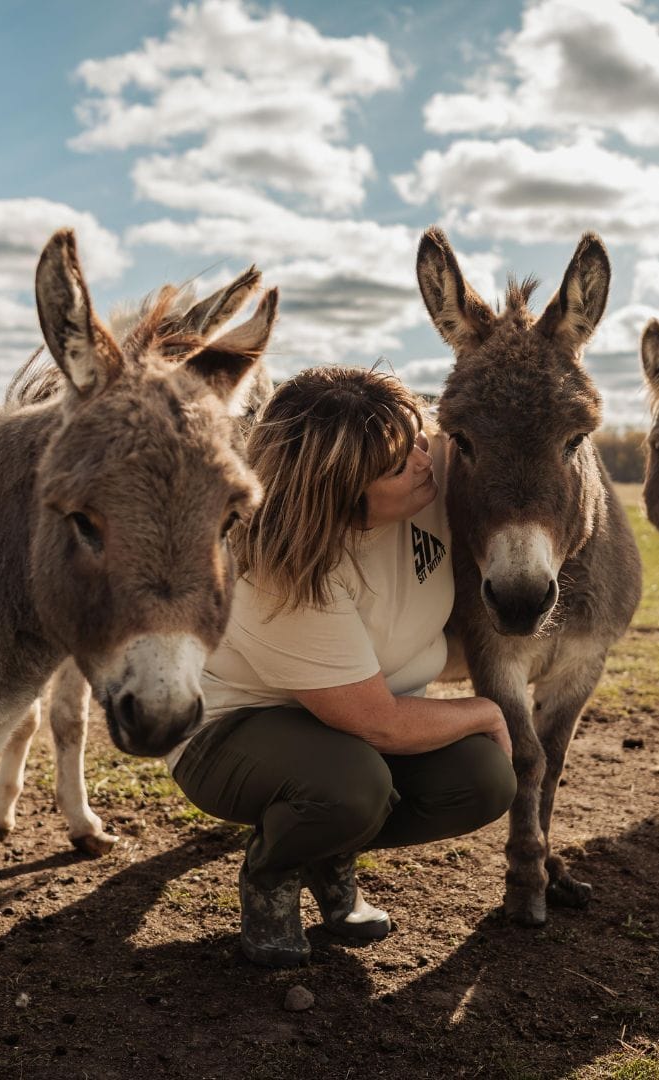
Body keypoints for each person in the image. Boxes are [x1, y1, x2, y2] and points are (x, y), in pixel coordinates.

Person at [167, 366, 516, 967]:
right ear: (340, 496)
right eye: (394, 462)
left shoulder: (425, 476)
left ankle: (328, 846)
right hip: (235, 728)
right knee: (352, 786)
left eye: (414, 434)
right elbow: (376, 722)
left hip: (355, 721)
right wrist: (485, 708)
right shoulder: (282, 569)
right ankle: (274, 869)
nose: (420, 456)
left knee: (482, 780)